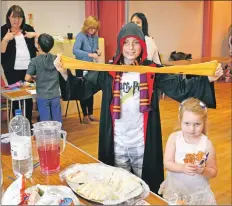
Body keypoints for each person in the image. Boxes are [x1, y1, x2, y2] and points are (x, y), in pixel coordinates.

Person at [54, 22, 222, 194]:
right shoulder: (109, 70)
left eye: (136, 43)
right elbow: (84, 88)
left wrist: (207, 78)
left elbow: (179, 87)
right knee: (117, 186)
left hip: (143, 143)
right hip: (117, 141)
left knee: (145, 188)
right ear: (120, 45)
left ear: (142, 45)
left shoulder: (150, 70)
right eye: (126, 43)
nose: (131, 48)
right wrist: (64, 73)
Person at [158, 98, 217, 205]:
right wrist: (182, 168)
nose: (192, 129)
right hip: (176, 191)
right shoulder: (174, 138)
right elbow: (167, 163)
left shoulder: (207, 144)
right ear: (180, 120)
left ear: (204, 122)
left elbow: (213, 171)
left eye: (197, 124)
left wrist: (203, 171)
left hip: (198, 194)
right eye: (187, 123)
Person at [1, 5, 38, 125]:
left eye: (19, 17)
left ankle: (28, 123)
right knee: (16, 97)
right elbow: (2, 51)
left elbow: (39, 48)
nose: (16, 20)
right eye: (13, 17)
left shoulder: (28, 29)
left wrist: (36, 35)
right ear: (8, 17)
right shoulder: (3, 30)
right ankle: (17, 124)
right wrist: (6, 39)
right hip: (11, 70)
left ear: (23, 18)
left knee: (28, 96)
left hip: (29, 69)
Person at [25, 34, 62, 123]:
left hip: (42, 95)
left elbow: (27, 78)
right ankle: (59, 136)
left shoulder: (34, 61)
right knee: (57, 120)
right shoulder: (56, 58)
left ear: (38, 45)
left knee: (46, 122)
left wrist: (34, 78)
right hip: (55, 94)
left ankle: (48, 137)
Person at [73, 16, 100, 124]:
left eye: (95, 29)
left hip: (91, 66)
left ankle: (91, 113)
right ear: (86, 27)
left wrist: (97, 53)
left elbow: (95, 50)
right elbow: (75, 50)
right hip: (81, 66)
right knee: (83, 91)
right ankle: (85, 115)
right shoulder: (81, 36)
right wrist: (89, 54)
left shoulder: (95, 37)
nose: (93, 31)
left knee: (91, 90)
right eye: (91, 28)